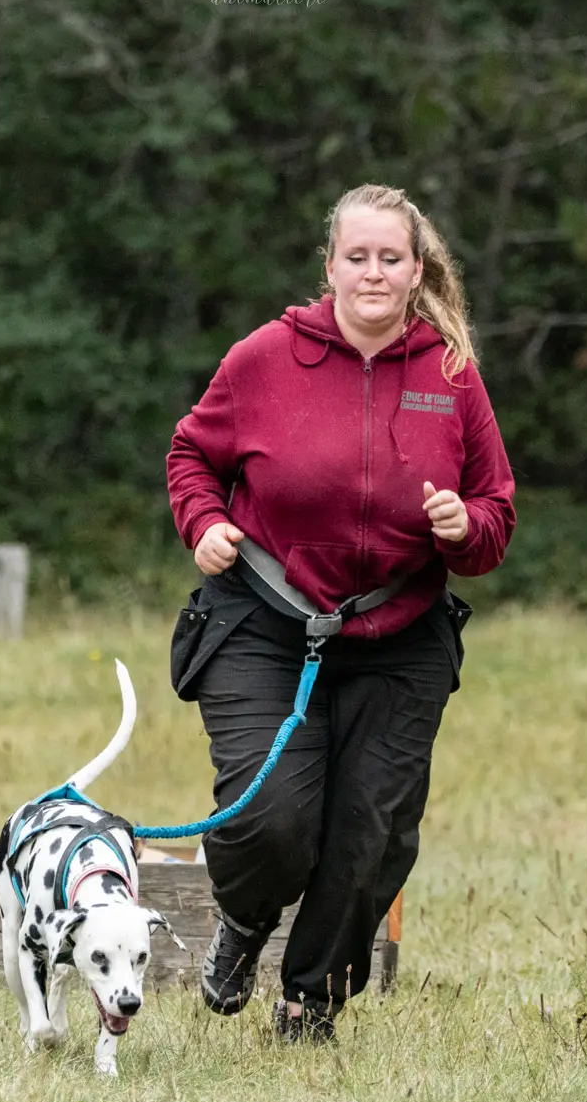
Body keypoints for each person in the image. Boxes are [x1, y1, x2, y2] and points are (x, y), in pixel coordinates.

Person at [164, 182, 516, 1042]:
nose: (372, 272)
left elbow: (496, 511)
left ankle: (308, 1002)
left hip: (399, 635)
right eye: (355, 256)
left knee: (373, 835)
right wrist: (205, 522)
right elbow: (191, 455)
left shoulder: (450, 374)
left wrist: (464, 525)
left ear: (415, 269)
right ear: (329, 267)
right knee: (269, 816)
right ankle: (245, 922)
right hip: (265, 623)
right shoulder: (264, 358)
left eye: (389, 258)